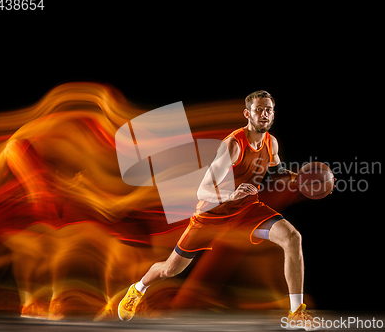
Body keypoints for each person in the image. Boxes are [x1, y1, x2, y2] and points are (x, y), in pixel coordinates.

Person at [118, 90, 317, 330]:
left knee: (292, 237)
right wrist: (229, 195)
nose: (264, 114)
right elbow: (202, 191)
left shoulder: (270, 142)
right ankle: (138, 289)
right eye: (259, 110)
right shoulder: (233, 145)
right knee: (170, 269)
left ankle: (296, 312)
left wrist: (302, 179)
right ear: (247, 113)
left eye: (269, 110)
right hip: (212, 213)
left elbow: (275, 167)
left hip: (246, 209)